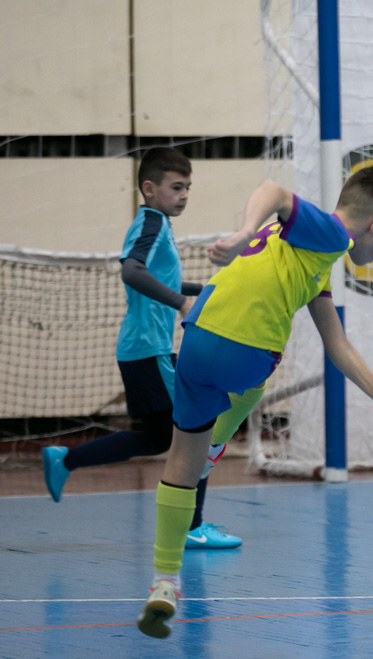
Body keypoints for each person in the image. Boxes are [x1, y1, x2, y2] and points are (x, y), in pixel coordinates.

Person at [135, 165, 373, 639]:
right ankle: (215, 448)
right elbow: (274, 191)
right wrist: (243, 232)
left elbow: (337, 343)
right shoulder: (332, 235)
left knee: (180, 460)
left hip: (197, 339)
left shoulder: (308, 258)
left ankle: (165, 580)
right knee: (251, 383)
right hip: (248, 354)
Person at [41, 147, 257, 550]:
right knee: (201, 428)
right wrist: (181, 303)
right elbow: (132, 271)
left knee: (157, 439)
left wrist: (207, 290)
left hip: (144, 351)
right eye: (176, 187)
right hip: (148, 350)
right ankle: (191, 526)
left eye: (188, 187)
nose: (184, 195)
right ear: (149, 188)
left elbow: (160, 279)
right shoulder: (151, 225)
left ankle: (65, 460)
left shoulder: (157, 224)